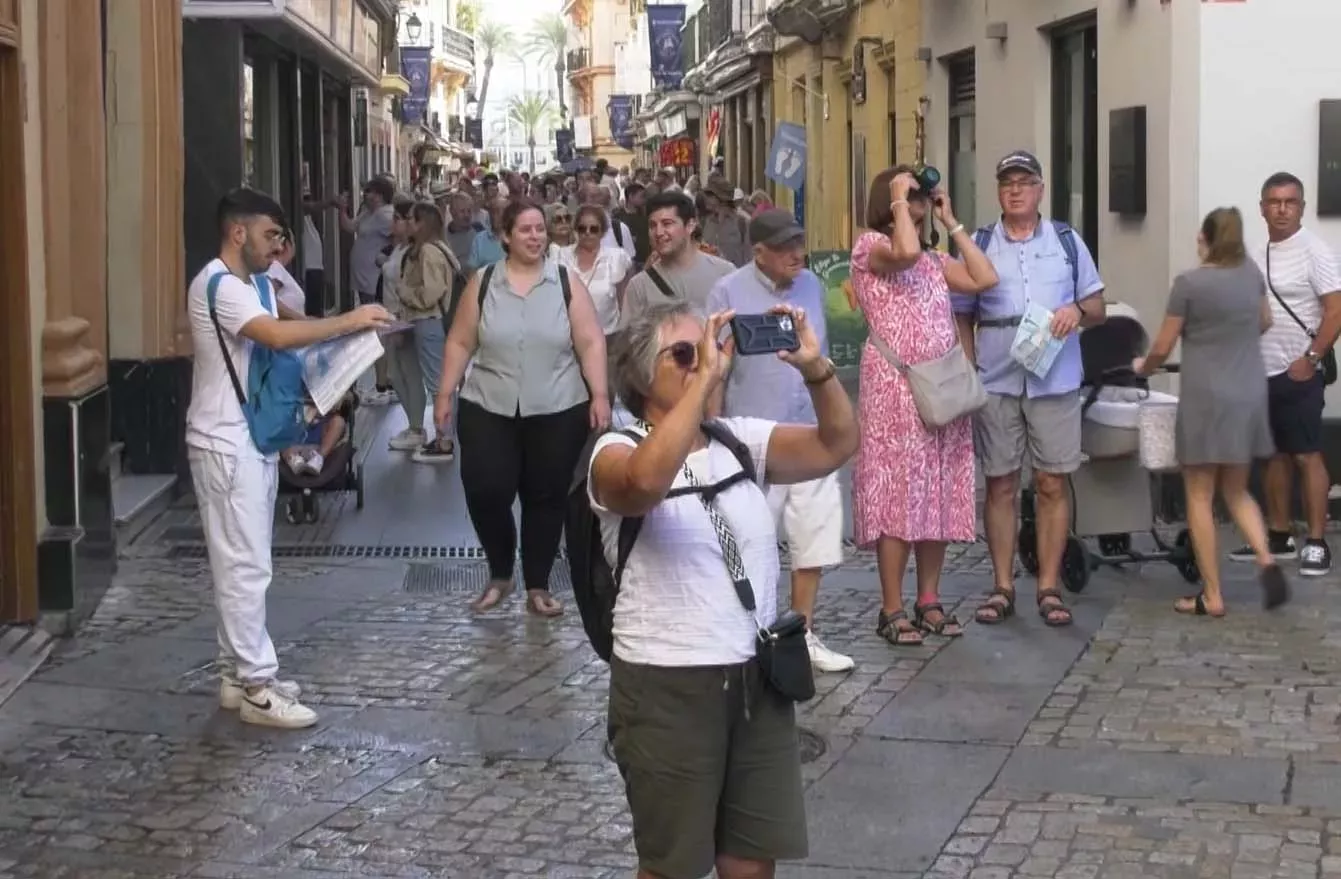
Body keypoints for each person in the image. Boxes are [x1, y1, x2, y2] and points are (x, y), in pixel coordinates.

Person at [592, 301, 859, 879]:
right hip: (667, 685)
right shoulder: (613, 450)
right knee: (673, 867)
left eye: (709, 350)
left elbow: (837, 444)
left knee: (750, 863)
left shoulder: (738, 441)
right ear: (642, 375)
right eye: (684, 354)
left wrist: (816, 369)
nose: (704, 363)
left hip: (755, 679)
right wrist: (704, 384)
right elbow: (642, 483)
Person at [186, 188, 390, 728]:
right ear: (238, 233)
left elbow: (291, 319)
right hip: (225, 440)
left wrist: (347, 333)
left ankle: (236, 674)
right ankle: (257, 685)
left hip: (246, 436)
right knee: (245, 565)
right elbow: (276, 334)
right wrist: (349, 321)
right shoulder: (219, 286)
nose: (278, 247)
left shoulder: (254, 283)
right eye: (270, 235)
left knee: (242, 560)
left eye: (280, 236)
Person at [434, 198, 611, 617]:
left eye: (540, 229)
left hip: (558, 404)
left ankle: (537, 583)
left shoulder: (565, 281)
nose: (535, 237)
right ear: (505, 237)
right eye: (526, 230)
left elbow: (590, 341)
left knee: (546, 496)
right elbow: (460, 340)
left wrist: (600, 394)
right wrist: (443, 393)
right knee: (485, 489)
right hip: (487, 403)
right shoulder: (484, 281)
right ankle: (500, 571)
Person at [952, 150, 1106, 629]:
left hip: (1054, 378)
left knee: (1051, 482)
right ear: (998, 191)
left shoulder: (1066, 240)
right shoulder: (980, 242)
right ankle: (1002, 586)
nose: (1015, 190)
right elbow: (961, 312)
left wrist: (1076, 311)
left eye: (1024, 182)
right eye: (1007, 183)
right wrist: (969, 366)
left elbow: (1097, 305)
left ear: (1040, 189)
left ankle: (1048, 586)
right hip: (996, 379)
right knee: (1000, 483)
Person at [853, 167, 999, 645]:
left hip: (940, 386)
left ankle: (929, 599)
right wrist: (899, 196)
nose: (918, 198)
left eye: (919, 194)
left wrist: (951, 220)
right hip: (894, 388)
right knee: (898, 494)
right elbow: (905, 253)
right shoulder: (870, 247)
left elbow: (984, 277)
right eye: (910, 193)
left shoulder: (935, 260)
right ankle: (891, 607)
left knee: (937, 493)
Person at [707, 209, 854, 672]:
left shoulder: (812, 285)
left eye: (799, 243)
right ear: (759, 253)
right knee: (753, 540)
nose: (797, 254)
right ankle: (752, 637)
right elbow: (715, 367)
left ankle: (802, 635)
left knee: (813, 538)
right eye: (786, 247)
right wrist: (713, 430)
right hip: (754, 438)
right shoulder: (727, 291)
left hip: (810, 431)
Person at [1134, 207, 1290, 616]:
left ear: (1206, 237)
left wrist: (1143, 367)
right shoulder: (1251, 275)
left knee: (1199, 495)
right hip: (1248, 392)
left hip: (1206, 397)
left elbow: (1163, 345)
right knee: (1236, 490)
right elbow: (1265, 321)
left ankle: (1213, 595)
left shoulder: (1189, 283)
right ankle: (1266, 559)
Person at [1227, 171, 1341, 575]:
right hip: (1261, 371)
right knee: (1272, 454)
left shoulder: (1315, 251)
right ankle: (1278, 534)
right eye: (1274, 202)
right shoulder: (1256, 253)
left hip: (1299, 372)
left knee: (1306, 454)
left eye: (1290, 202)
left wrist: (1311, 358)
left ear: (1302, 208)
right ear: (1262, 208)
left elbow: (1335, 310)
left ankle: (1317, 542)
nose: (1282, 209)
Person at [400, 201, 461, 463]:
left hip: (429, 320)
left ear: (421, 223)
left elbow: (431, 293)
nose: (407, 224)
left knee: (438, 383)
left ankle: (444, 439)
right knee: (441, 381)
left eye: (411, 219)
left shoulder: (428, 251)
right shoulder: (440, 248)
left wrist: (405, 293)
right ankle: (444, 436)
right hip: (436, 321)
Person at [620, 191, 735, 326]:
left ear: (690, 226)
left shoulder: (725, 274)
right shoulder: (640, 286)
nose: (659, 232)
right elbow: (628, 336)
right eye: (652, 226)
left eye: (667, 224)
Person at [338, 177, 397, 405]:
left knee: (376, 328)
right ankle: (384, 378)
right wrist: (342, 208)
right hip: (364, 280)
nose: (365, 195)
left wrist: (385, 256)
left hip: (374, 280)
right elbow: (349, 226)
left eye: (369, 191)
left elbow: (398, 236)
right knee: (372, 328)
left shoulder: (385, 215)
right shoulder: (367, 213)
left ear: (380, 195)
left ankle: (383, 381)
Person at [381, 198, 428, 452]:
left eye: (398, 219)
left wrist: (401, 318)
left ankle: (417, 428)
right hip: (390, 317)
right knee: (396, 374)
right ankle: (413, 425)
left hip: (403, 318)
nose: (395, 223)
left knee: (409, 372)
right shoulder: (398, 249)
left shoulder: (413, 252)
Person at [556, 204, 633, 341]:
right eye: (582, 228)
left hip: (609, 337)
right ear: (576, 230)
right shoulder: (561, 256)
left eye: (593, 229)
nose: (587, 233)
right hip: (569, 339)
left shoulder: (616, 258)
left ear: (602, 232)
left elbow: (624, 304)